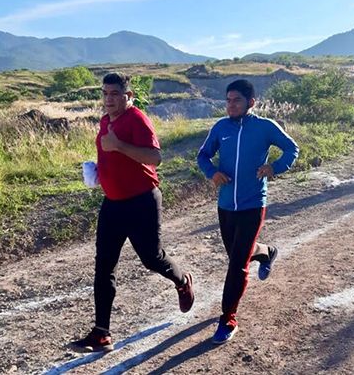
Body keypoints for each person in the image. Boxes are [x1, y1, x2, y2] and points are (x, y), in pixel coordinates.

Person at [70, 72, 194, 353]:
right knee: (104, 266)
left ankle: (182, 280)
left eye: (115, 94)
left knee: (152, 258)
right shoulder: (105, 121)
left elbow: (154, 158)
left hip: (142, 202)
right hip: (113, 204)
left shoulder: (137, 119)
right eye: (105, 93)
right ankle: (101, 333)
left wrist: (119, 146)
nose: (109, 99)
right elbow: (111, 154)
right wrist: (100, 172)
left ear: (128, 97)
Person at [197, 79, 299, 345]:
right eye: (228, 100)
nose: (231, 105)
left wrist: (274, 168)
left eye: (236, 100)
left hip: (254, 203)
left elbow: (292, 148)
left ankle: (228, 318)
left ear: (251, 103)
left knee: (237, 265)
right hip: (226, 205)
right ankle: (267, 252)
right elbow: (203, 156)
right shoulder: (220, 127)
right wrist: (212, 172)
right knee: (237, 255)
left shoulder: (264, 127)